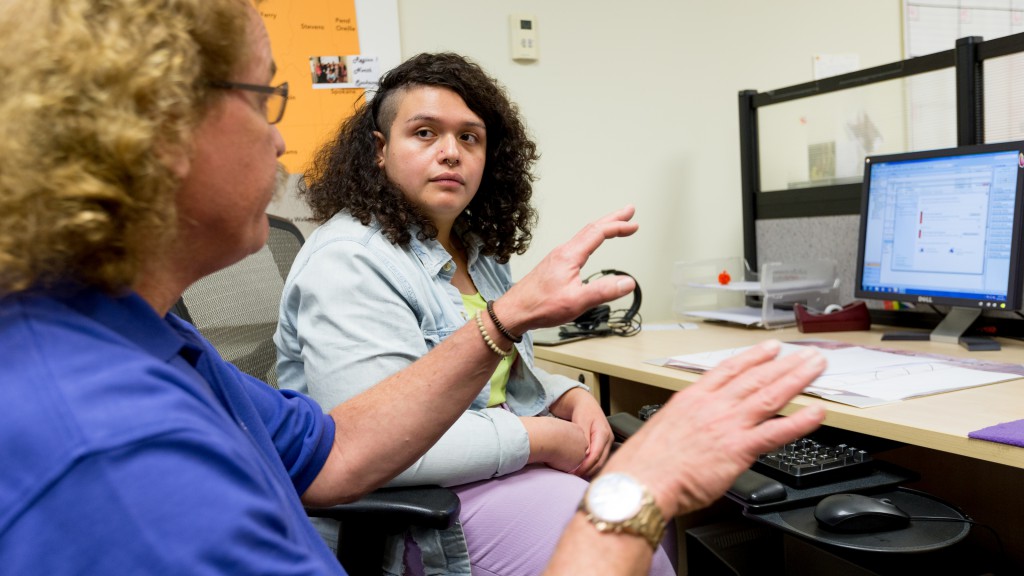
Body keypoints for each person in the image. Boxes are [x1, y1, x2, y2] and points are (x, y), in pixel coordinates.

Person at [0, 1, 827, 574]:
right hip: (443, 505)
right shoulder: (113, 459)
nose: (282, 138)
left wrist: (522, 340)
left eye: (470, 137)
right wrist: (640, 489)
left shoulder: (143, 338)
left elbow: (333, 450)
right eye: (264, 98)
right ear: (156, 126)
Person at [275, 52, 672, 575]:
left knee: (643, 511)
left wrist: (565, 395)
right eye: (424, 133)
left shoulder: (475, 252)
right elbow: (372, 447)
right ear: (379, 149)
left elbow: (491, 381)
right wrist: (542, 437)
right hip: (419, 513)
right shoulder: (350, 259)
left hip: (490, 475)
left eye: (470, 137)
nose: (450, 153)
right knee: (617, 544)